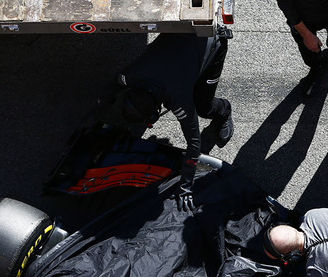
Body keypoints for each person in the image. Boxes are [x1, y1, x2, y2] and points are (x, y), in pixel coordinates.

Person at [93, 30, 234, 212]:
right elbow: (107, 93)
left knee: (202, 107)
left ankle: (224, 111)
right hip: (182, 37)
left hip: (211, 40)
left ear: (154, 116)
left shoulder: (178, 99)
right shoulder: (130, 75)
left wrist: (186, 186)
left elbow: (194, 143)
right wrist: (95, 120)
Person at [276, 0, 328, 96]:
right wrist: (306, 35)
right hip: (305, 15)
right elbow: (285, 4)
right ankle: (316, 65)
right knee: (309, 52)